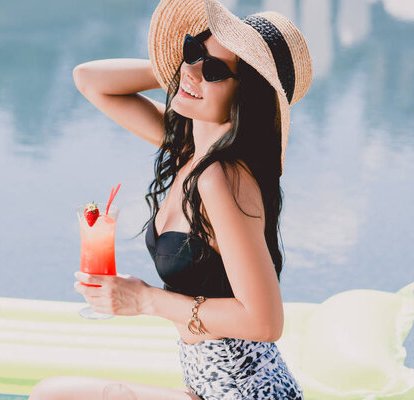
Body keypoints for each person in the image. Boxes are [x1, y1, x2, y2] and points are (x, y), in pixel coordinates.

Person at [30, 0, 312, 398]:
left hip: (244, 393)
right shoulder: (191, 154)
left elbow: (264, 322)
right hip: (208, 387)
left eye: (215, 71)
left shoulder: (221, 178)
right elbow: (89, 79)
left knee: (53, 395)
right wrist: (184, 70)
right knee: (54, 392)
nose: (193, 70)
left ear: (245, 98)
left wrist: (145, 300)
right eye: (194, 50)